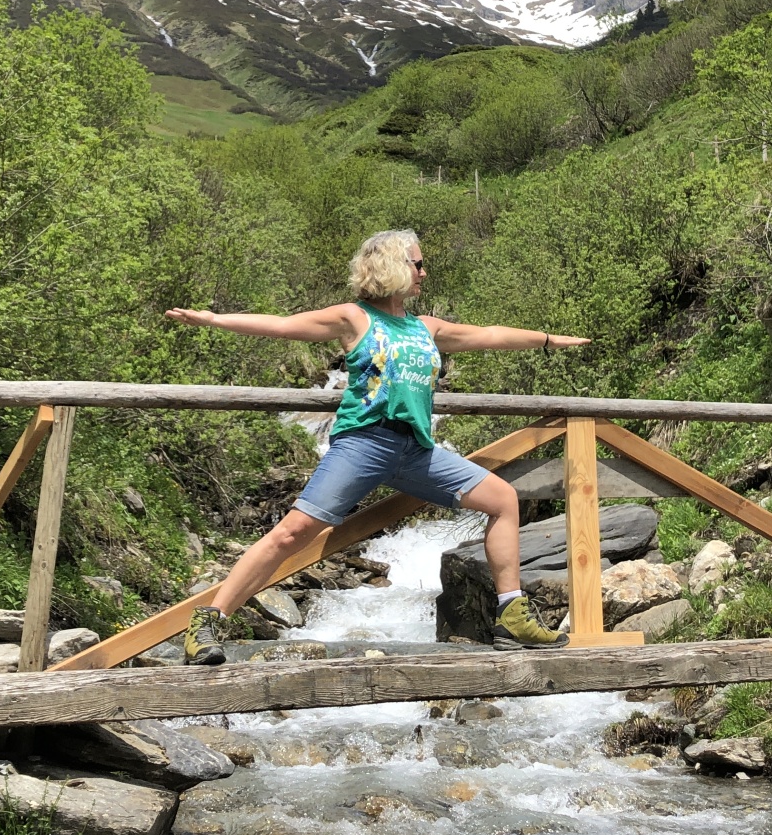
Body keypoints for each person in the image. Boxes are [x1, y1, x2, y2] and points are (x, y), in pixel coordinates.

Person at [164, 228, 589, 663]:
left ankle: (512, 616)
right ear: (392, 266)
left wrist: (548, 339)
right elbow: (283, 325)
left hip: (417, 450)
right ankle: (208, 622)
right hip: (363, 444)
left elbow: (491, 335)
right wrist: (214, 319)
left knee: (502, 499)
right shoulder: (354, 318)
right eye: (418, 263)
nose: (424, 272)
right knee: (292, 532)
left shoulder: (426, 327)